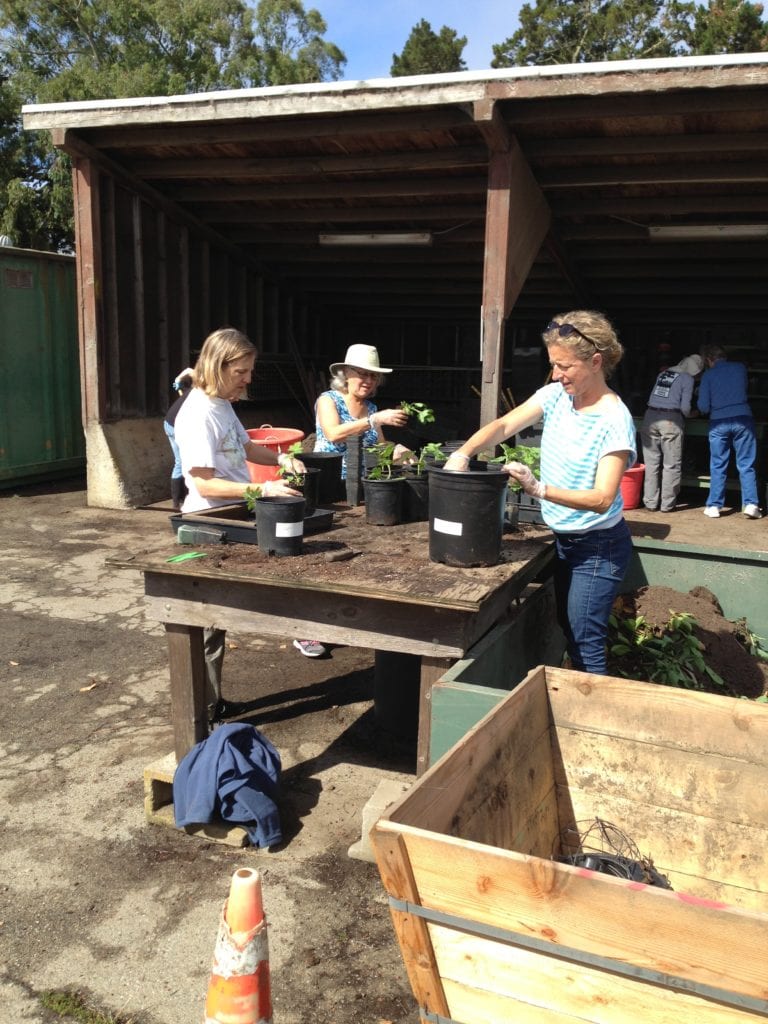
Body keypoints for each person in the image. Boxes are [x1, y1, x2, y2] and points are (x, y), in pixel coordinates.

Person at [444, 311, 636, 676]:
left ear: (595, 362)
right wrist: (462, 453)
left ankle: (587, 718)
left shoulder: (614, 420)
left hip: (598, 547)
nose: (556, 374)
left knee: (585, 640)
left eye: (564, 366)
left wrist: (538, 488)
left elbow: (602, 498)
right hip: (566, 540)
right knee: (569, 625)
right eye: (553, 365)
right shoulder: (555, 396)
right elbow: (503, 424)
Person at [174, 327, 306, 722]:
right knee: (207, 621)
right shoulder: (196, 415)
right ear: (218, 365)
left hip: (233, 514)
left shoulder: (223, 404)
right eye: (241, 371)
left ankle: (212, 701)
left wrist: (281, 460)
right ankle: (204, 710)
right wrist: (261, 492)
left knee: (218, 622)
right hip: (208, 521)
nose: (248, 379)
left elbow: (246, 447)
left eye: (250, 370)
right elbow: (202, 482)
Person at [294, 343, 410, 658]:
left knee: (358, 557)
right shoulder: (328, 401)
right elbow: (332, 434)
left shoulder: (373, 411)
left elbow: (380, 448)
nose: (368, 381)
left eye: (373, 376)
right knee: (320, 558)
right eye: (361, 374)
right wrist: (375, 421)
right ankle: (306, 631)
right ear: (345, 374)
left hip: (362, 493)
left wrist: (397, 451)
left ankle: (349, 622)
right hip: (330, 491)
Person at [697, 344, 762, 519]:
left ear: (709, 359)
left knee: (718, 464)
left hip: (719, 421)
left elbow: (703, 406)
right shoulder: (740, 368)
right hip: (743, 418)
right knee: (746, 464)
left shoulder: (708, 375)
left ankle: (714, 506)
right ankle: (751, 504)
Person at [640, 354, 703, 513]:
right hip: (670, 420)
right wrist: (693, 414)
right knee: (671, 464)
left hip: (650, 418)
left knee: (651, 463)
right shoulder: (687, 378)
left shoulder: (664, 374)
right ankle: (667, 504)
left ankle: (650, 502)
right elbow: (685, 408)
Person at [164, 367, 195, 510]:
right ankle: (184, 499)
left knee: (179, 462)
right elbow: (189, 369)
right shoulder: (204, 391)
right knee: (188, 461)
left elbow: (182, 375)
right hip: (176, 425)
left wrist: (178, 381)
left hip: (168, 423)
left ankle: (177, 502)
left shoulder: (188, 390)